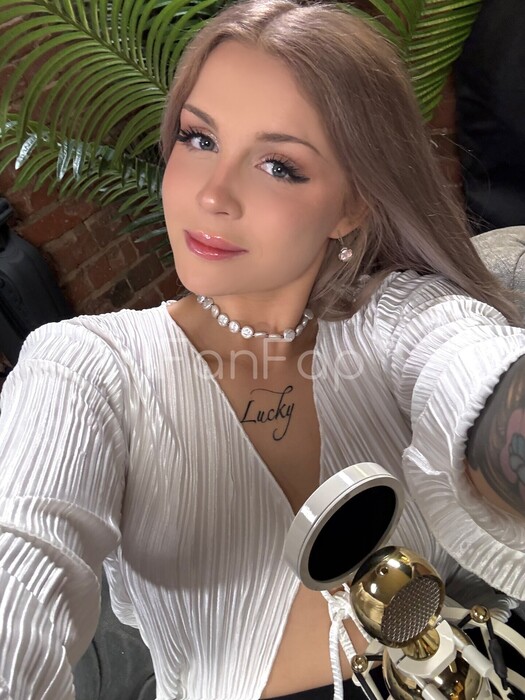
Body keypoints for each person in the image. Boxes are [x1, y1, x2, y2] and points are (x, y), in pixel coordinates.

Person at [0, 1, 524, 698]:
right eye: (198, 138)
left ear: (352, 204)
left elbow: (475, 368)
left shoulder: (400, 317)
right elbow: (22, 555)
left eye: (278, 165)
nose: (213, 194)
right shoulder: (87, 369)